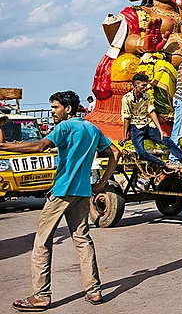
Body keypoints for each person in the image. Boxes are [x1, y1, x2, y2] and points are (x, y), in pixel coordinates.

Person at [0, 91, 119, 311]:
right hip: (82, 191)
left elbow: (39, 147)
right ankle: (94, 291)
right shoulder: (92, 128)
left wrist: (3, 147)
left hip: (63, 190)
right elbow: (114, 152)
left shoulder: (65, 127)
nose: (53, 112)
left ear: (68, 109)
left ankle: (41, 296)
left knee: (42, 242)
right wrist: (102, 182)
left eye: (55, 107)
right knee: (82, 239)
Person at [121, 73, 182, 170]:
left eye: (146, 85)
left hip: (148, 124)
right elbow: (126, 118)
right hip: (135, 127)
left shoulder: (146, 96)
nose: (146, 88)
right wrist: (124, 135)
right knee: (141, 152)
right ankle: (165, 164)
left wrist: (160, 130)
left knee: (167, 141)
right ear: (136, 86)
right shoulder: (127, 99)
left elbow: (152, 111)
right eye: (143, 85)